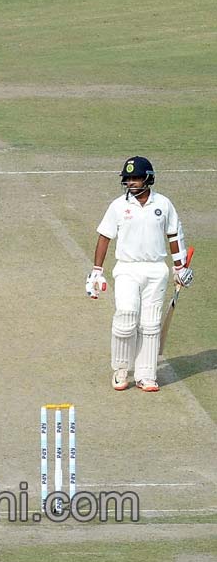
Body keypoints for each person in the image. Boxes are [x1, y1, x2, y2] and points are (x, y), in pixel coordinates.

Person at [88, 156, 193, 392]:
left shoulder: (163, 204)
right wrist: (97, 271)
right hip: (127, 268)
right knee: (126, 316)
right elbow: (104, 236)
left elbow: (174, 235)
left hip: (156, 269)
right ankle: (121, 369)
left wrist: (180, 267)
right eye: (128, 179)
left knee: (151, 323)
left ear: (148, 178)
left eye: (136, 178)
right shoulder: (118, 206)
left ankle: (146, 374)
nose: (131, 183)